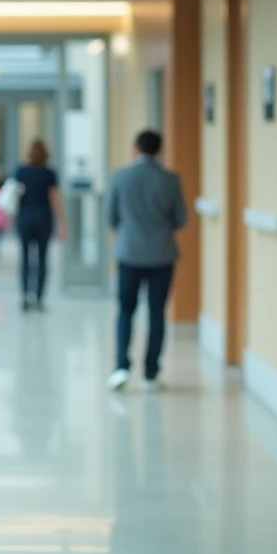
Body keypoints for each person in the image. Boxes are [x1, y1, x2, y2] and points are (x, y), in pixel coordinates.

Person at [105, 130, 187, 392]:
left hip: (129, 254)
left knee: (126, 310)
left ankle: (121, 368)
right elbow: (181, 219)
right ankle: (151, 374)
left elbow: (111, 218)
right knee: (156, 313)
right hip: (162, 255)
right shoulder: (170, 180)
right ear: (159, 151)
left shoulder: (120, 178)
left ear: (134, 149)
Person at [12, 139, 65, 311]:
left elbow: (13, 196)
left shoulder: (21, 171)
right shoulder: (48, 173)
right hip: (43, 219)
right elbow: (54, 199)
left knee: (26, 259)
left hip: (25, 218)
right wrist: (62, 222)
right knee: (42, 259)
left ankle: (26, 297)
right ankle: (40, 298)